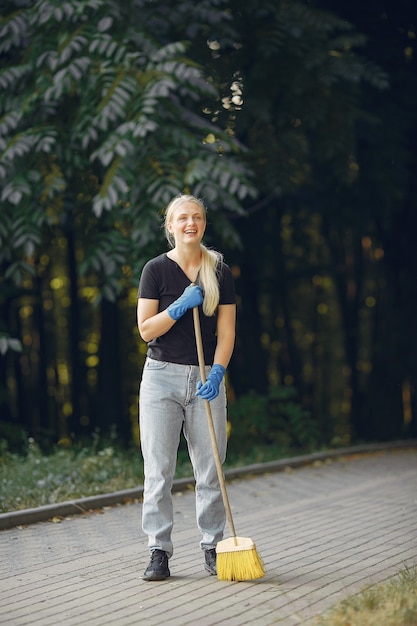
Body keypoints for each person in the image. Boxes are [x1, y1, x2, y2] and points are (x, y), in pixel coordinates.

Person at [137, 193, 236, 581]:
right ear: (171, 225)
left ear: (204, 224)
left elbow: (226, 333)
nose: (190, 223)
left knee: (211, 468)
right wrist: (178, 306)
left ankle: (213, 547)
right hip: (161, 376)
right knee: (159, 470)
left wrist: (218, 372)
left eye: (196, 217)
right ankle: (158, 550)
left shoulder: (219, 271)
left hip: (206, 376)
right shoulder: (156, 270)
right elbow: (146, 330)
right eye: (182, 218)